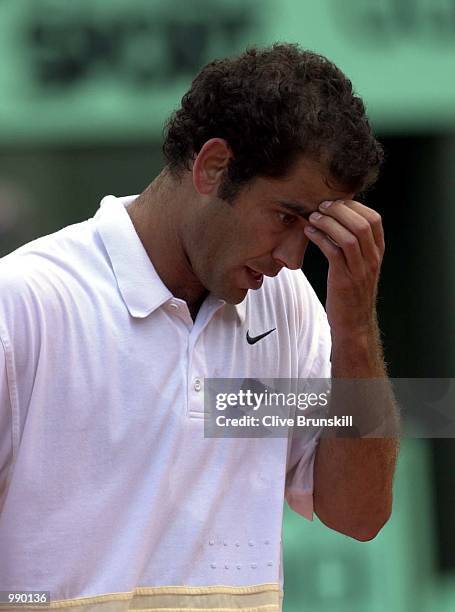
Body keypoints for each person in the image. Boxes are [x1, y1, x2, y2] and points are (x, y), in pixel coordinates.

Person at [0, 43, 399, 612]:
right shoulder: (21, 305)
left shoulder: (289, 303)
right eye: (286, 216)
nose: (292, 257)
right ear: (213, 166)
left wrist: (355, 327)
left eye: (312, 229)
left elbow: (360, 515)